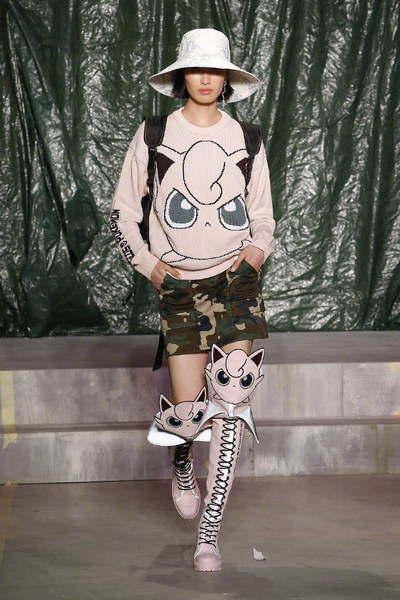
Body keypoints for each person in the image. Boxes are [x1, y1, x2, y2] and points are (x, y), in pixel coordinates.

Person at [109, 27, 276, 571]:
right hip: (179, 287)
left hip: (237, 284)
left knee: (230, 403)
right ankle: (181, 460)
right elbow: (122, 213)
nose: (206, 78)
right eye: (196, 68)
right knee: (188, 411)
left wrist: (252, 257)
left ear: (227, 79)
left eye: (215, 69)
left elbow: (264, 217)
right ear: (182, 75)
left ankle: (210, 534)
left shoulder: (247, 137)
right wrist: (151, 267)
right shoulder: (155, 133)